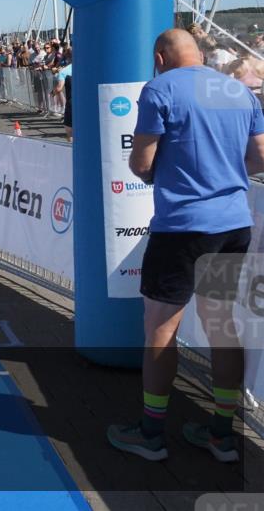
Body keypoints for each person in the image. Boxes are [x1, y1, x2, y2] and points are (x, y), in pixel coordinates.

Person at [108, 29, 264, 463]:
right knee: (221, 325)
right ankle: (221, 435)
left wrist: (167, 175)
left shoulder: (159, 89)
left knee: (160, 327)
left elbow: (141, 162)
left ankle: (152, 434)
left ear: (160, 57)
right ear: (200, 54)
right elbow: (260, 159)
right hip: (233, 224)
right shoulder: (238, 90)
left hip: (181, 228)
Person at [52, 47, 72, 142]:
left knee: (70, 131)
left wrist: (52, 93)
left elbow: (59, 88)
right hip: (85, 102)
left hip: (72, 103)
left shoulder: (64, 71)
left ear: (67, 58)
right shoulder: (87, 69)